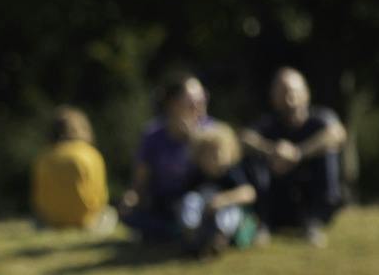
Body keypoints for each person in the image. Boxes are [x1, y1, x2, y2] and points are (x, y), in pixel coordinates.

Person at [240, 68, 346, 245]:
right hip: (279, 196)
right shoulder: (269, 124)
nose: (289, 99)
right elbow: (244, 138)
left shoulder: (321, 119)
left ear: (306, 93)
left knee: (328, 151)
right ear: (273, 97)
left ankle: (314, 221)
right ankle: (263, 222)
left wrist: (298, 153)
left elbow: (337, 133)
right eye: (282, 93)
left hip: (311, 195)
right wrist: (272, 151)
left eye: (293, 92)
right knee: (253, 159)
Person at [119, 73, 209, 242]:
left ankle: (180, 232)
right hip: (163, 204)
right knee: (129, 215)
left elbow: (217, 175)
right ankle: (177, 232)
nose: (199, 105)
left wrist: (194, 140)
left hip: (197, 202)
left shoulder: (211, 131)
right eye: (192, 102)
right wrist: (130, 198)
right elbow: (139, 182)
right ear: (173, 104)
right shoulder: (152, 135)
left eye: (201, 100)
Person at [174, 122, 262, 257]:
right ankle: (191, 236)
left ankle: (219, 239)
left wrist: (223, 199)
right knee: (190, 201)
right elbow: (185, 197)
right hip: (203, 219)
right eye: (210, 152)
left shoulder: (232, 172)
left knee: (230, 209)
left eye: (220, 151)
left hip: (224, 214)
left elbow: (249, 193)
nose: (217, 156)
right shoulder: (196, 174)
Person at [30, 106, 112, 231]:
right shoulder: (91, 154)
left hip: (51, 222)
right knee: (110, 213)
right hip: (86, 221)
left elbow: (38, 197)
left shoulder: (44, 157)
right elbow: (100, 196)